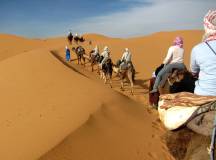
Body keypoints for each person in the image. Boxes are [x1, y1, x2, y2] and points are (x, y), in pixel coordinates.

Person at [190, 10, 216, 96]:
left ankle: (155, 87)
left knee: (160, 74)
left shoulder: (197, 49)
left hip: (204, 94)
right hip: (180, 65)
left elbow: (194, 72)